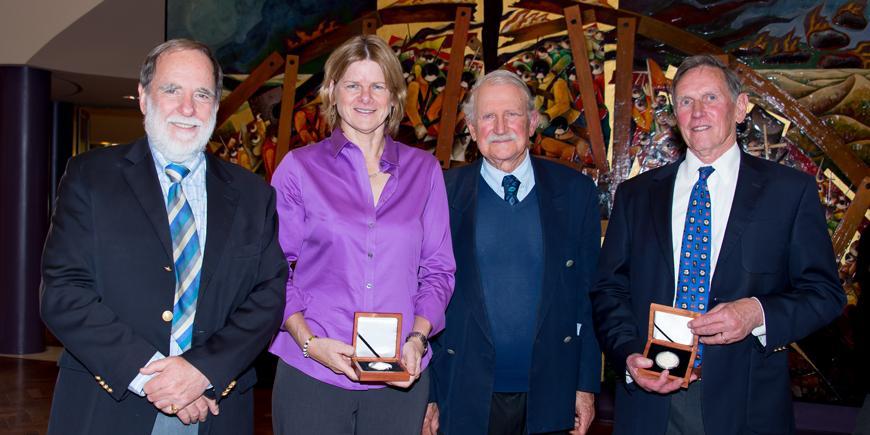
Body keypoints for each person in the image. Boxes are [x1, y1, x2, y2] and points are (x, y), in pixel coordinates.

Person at [40, 39, 288, 434]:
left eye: (202, 94)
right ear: (143, 97)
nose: (188, 108)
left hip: (215, 406)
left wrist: (201, 372)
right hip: (108, 403)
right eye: (172, 90)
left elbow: (268, 297)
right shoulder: (90, 177)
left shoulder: (254, 195)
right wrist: (153, 377)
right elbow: (64, 293)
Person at [590, 54, 845, 435]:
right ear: (674, 116)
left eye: (710, 98)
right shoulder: (636, 195)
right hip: (650, 404)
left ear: (740, 108)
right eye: (686, 102)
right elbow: (609, 290)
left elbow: (825, 294)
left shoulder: (789, 192)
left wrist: (757, 313)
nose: (697, 113)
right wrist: (629, 353)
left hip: (747, 406)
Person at [268, 35, 455, 434]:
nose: (365, 97)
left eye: (378, 85)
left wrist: (418, 341)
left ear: (394, 97)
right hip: (313, 369)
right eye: (353, 85)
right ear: (332, 93)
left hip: (398, 375)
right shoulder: (299, 168)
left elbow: (438, 270)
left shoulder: (425, 171)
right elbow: (272, 269)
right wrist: (309, 342)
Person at [425, 69, 602, 435]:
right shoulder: (440, 193)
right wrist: (426, 393)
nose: (501, 126)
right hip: (462, 392)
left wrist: (585, 386)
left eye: (513, 114)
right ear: (471, 129)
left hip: (552, 393)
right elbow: (421, 294)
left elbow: (590, 297)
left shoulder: (576, 193)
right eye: (488, 116)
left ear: (533, 122)